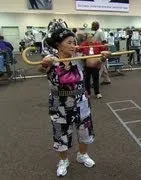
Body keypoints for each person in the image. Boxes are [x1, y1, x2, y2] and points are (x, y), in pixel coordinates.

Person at [38, 28, 111, 177]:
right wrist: (45, 63)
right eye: (69, 42)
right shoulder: (52, 59)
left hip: (81, 101)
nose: (73, 45)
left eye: (74, 42)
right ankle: (63, 160)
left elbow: (93, 63)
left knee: (84, 130)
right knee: (61, 134)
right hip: (59, 103)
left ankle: (82, 155)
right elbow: (40, 69)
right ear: (59, 44)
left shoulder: (78, 57)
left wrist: (102, 58)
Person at [79, 33, 107, 99]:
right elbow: (78, 50)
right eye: (89, 37)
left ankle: (97, 93)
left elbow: (104, 48)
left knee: (95, 79)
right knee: (87, 79)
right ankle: (88, 93)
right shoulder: (84, 44)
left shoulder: (97, 44)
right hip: (87, 64)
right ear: (86, 39)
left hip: (96, 64)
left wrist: (105, 46)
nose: (90, 39)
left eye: (91, 37)